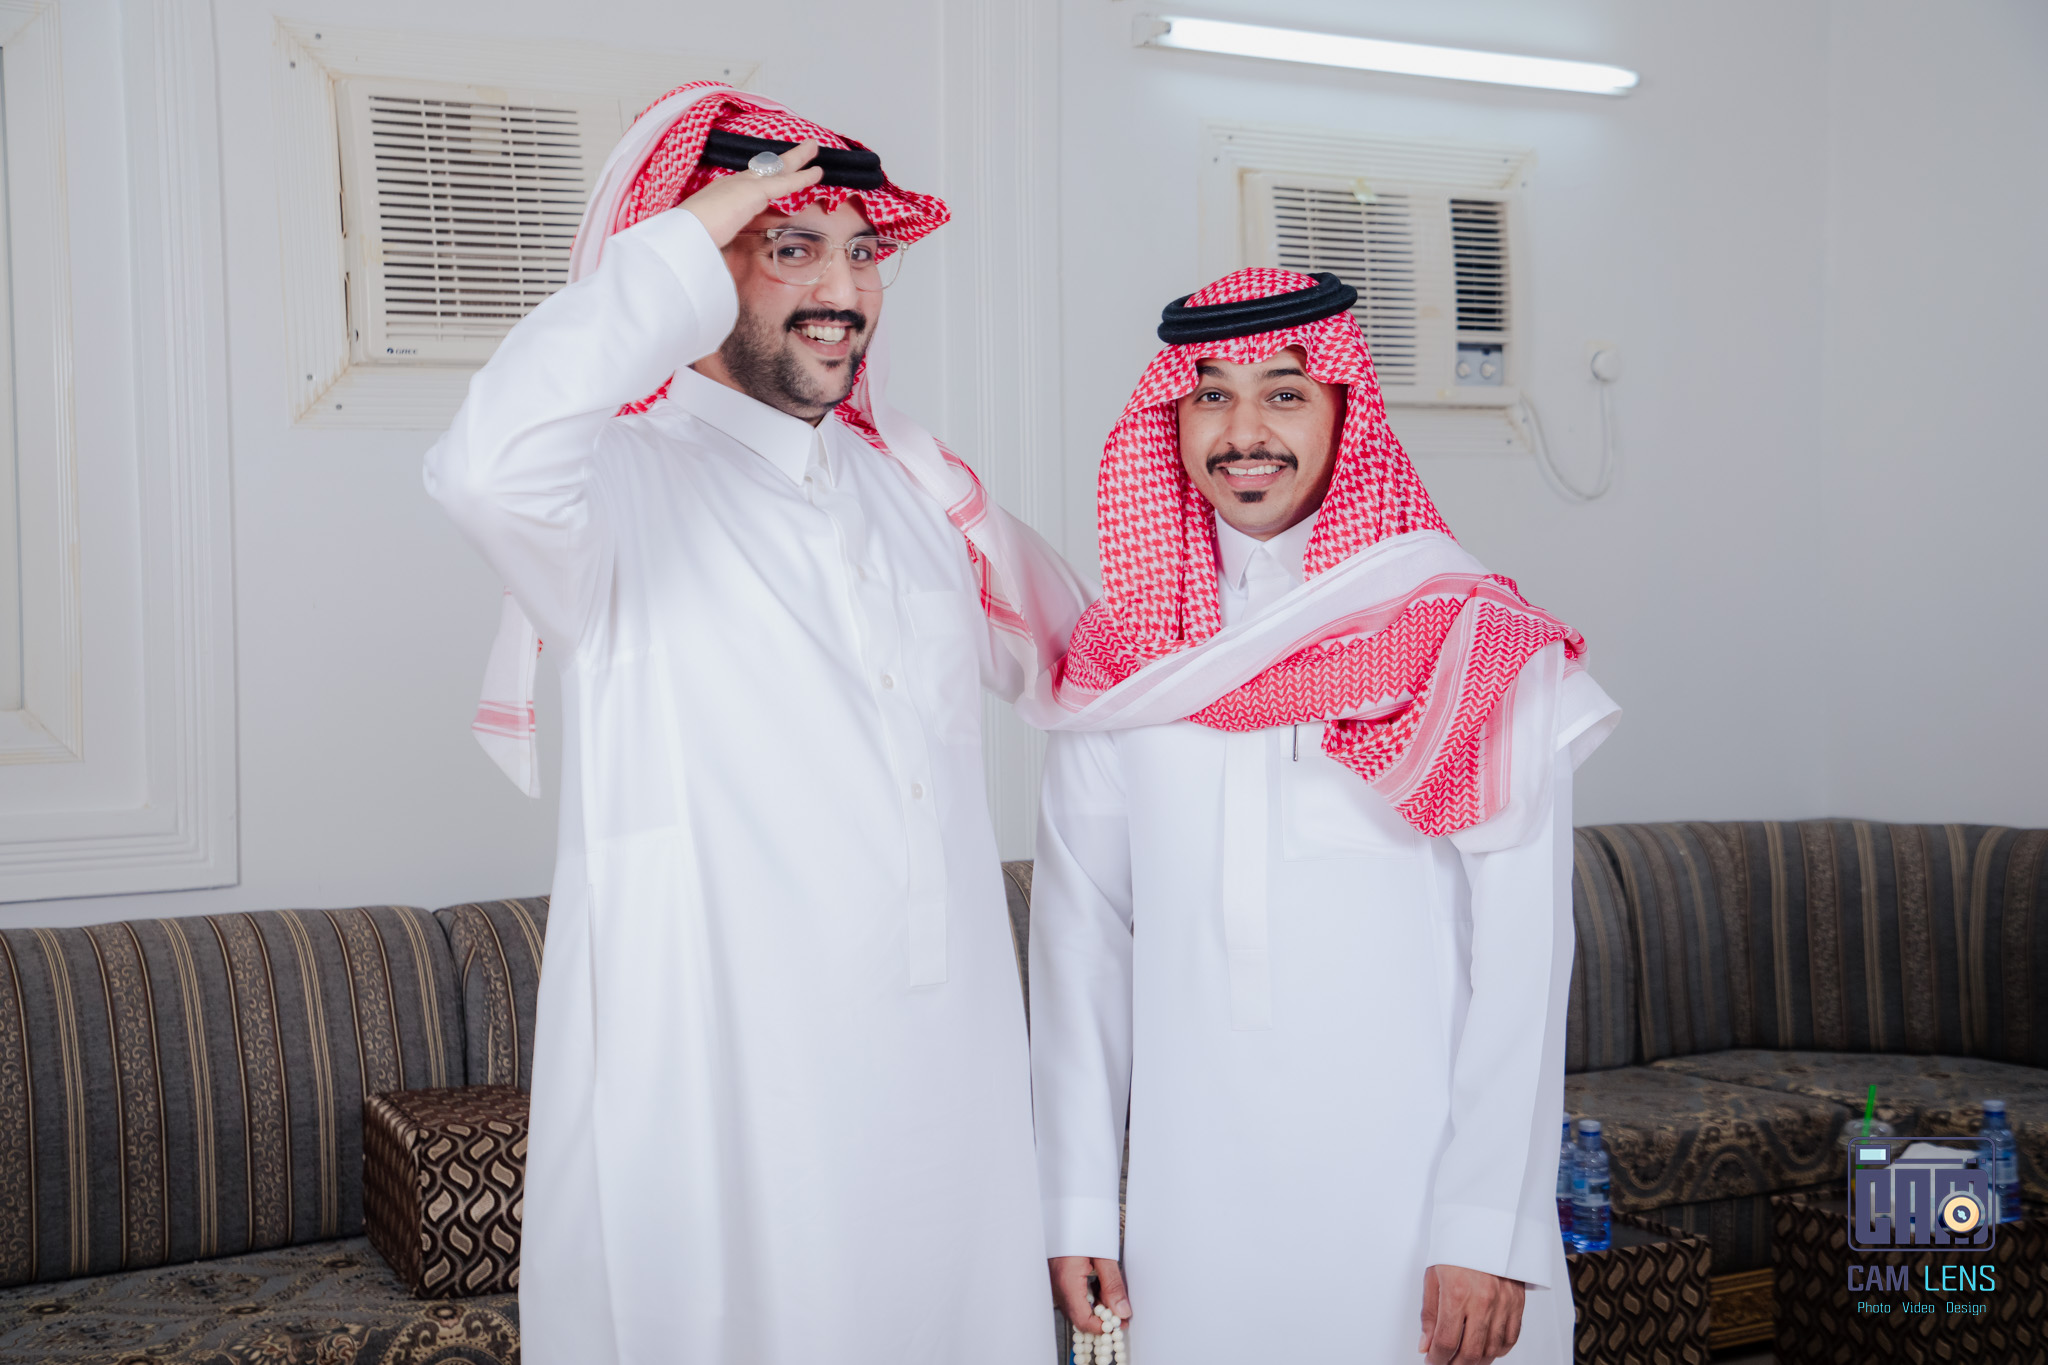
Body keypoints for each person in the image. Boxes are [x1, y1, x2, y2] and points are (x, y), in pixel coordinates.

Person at [425, 83, 1088, 1365]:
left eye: (863, 251)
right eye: (789, 247)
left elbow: (1105, 669)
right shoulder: (611, 490)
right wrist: (688, 232)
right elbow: (482, 466)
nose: (841, 290)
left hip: (945, 1070)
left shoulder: (921, 497)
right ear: (687, 276)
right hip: (729, 1080)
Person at [1018, 268, 1620, 1364]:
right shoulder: (1126, 661)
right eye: (1210, 395)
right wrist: (1077, 1202)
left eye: (1285, 394)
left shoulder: (1465, 637)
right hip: (1194, 1211)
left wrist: (1486, 1225)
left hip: (1413, 1202)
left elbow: (1525, 955)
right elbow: (1081, 940)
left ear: (1348, 411)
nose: (1243, 432)